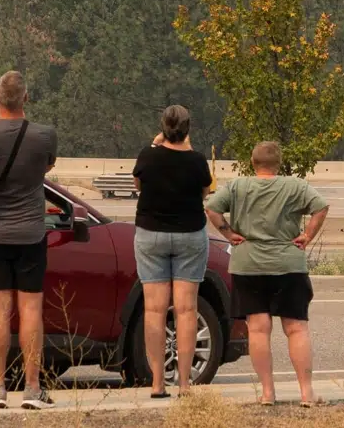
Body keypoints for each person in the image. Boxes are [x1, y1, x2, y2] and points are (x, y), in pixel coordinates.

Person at [204, 141, 328, 407]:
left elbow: (212, 208)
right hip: (288, 264)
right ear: (279, 163)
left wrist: (228, 233)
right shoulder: (295, 186)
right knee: (296, 328)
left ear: (252, 162)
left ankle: (268, 393)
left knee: (258, 329)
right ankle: (307, 393)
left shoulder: (238, 186)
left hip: (248, 264)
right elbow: (321, 206)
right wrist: (307, 235)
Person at [0, 71, 59, 411]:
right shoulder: (45, 136)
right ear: (26, 99)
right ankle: (32, 389)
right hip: (32, 232)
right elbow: (44, 169)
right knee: (31, 309)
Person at [131, 105, 213, 398]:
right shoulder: (197, 161)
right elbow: (205, 192)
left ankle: (157, 383)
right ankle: (185, 384)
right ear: (188, 129)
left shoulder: (147, 156)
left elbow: (138, 185)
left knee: (154, 309)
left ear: (162, 127)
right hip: (190, 235)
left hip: (151, 233)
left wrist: (156, 143)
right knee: (186, 309)